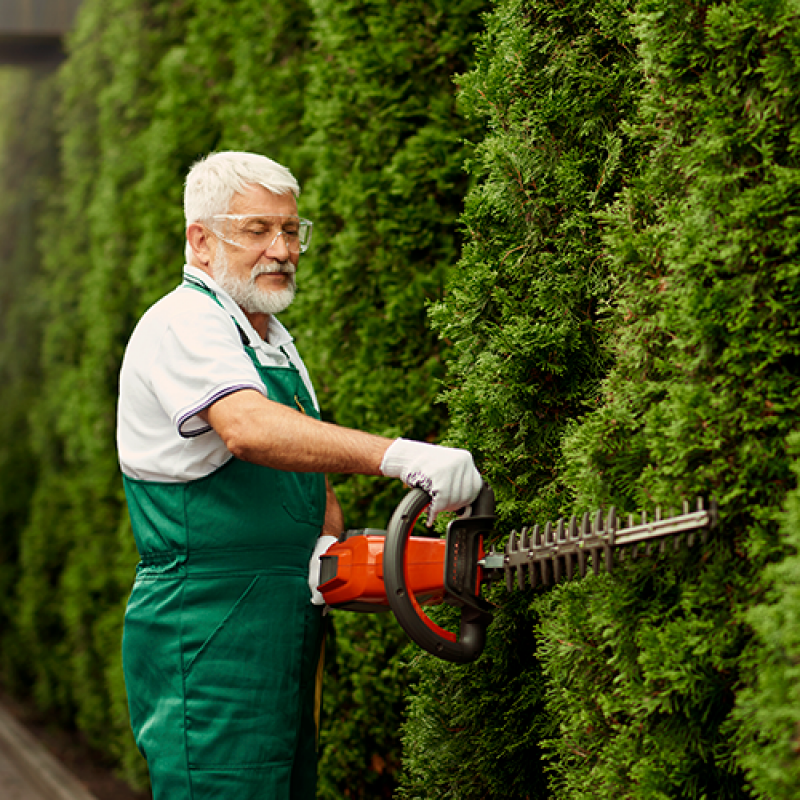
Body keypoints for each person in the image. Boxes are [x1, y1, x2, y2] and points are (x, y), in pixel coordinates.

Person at [116, 150, 482, 800]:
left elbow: (304, 470)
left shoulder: (269, 336)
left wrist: (331, 549)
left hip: (283, 618)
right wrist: (400, 455)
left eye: (290, 230)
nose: (282, 248)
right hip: (208, 624)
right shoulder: (183, 322)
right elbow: (250, 429)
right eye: (257, 230)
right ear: (201, 239)